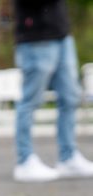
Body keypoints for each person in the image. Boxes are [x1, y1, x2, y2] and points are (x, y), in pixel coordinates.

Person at [13, 0, 93, 182]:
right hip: (35, 37)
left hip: (61, 33)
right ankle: (24, 160)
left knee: (70, 97)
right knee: (30, 101)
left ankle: (68, 157)